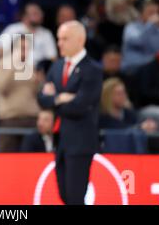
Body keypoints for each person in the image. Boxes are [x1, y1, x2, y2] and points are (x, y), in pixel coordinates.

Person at [38, 20, 103, 205]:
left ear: (80, 40)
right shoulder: (57, 66)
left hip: (81, 141)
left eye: (65, 39)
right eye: (59, 38)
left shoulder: (93, 69)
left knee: (75, 197)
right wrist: (61, 98)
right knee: (65, 196)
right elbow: (41, 98)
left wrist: (54, 98)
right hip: (60, 140)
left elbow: (80, 105)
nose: (59, 43)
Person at [0, 34, 41, 152]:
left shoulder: (31, 67)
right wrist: (14, 64)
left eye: (28, 48)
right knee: (7, 161)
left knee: (33, 160)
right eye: (22, 48)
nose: (25, 51)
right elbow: (1, 87)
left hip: (32, 119)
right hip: (10, 120)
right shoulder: (1, 65)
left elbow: (37, 92)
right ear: (14, 49)